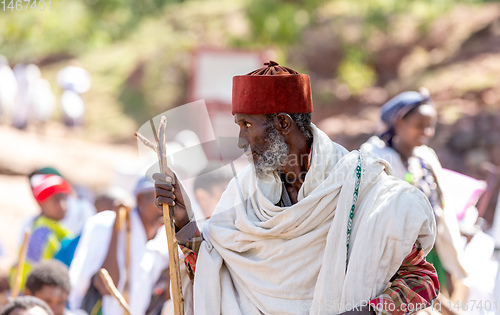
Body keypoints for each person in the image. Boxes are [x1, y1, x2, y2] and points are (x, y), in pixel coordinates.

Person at [154, 61, 439, 314]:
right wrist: (184, 222)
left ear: (282, 123)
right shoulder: (245, 193)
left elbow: (423, 281)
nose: (241, 140)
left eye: (246, 124)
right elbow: (214, 272)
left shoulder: (365, 191)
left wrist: (368, 312)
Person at [361, 90, 468, 298]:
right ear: (400, 122)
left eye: (431, 126)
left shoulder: (425, 158)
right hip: (395, 263)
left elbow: (441, 210)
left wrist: (449, 263)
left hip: (434, 255)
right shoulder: (374, 160)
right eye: (420, 126)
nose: (427, 132)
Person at [69, 176, 168, 315]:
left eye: (169, 202)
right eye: (159, 201)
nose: (165, 208)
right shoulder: (105, 224)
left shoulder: (164, 240)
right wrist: (116, 229)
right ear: (140, 199)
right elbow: (106, 286)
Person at [11, 174, 73, 291]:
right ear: (41, 203)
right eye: (56, 200)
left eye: (64, 198)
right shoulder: (42, 234)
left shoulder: (55, 230)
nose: (62, 205)